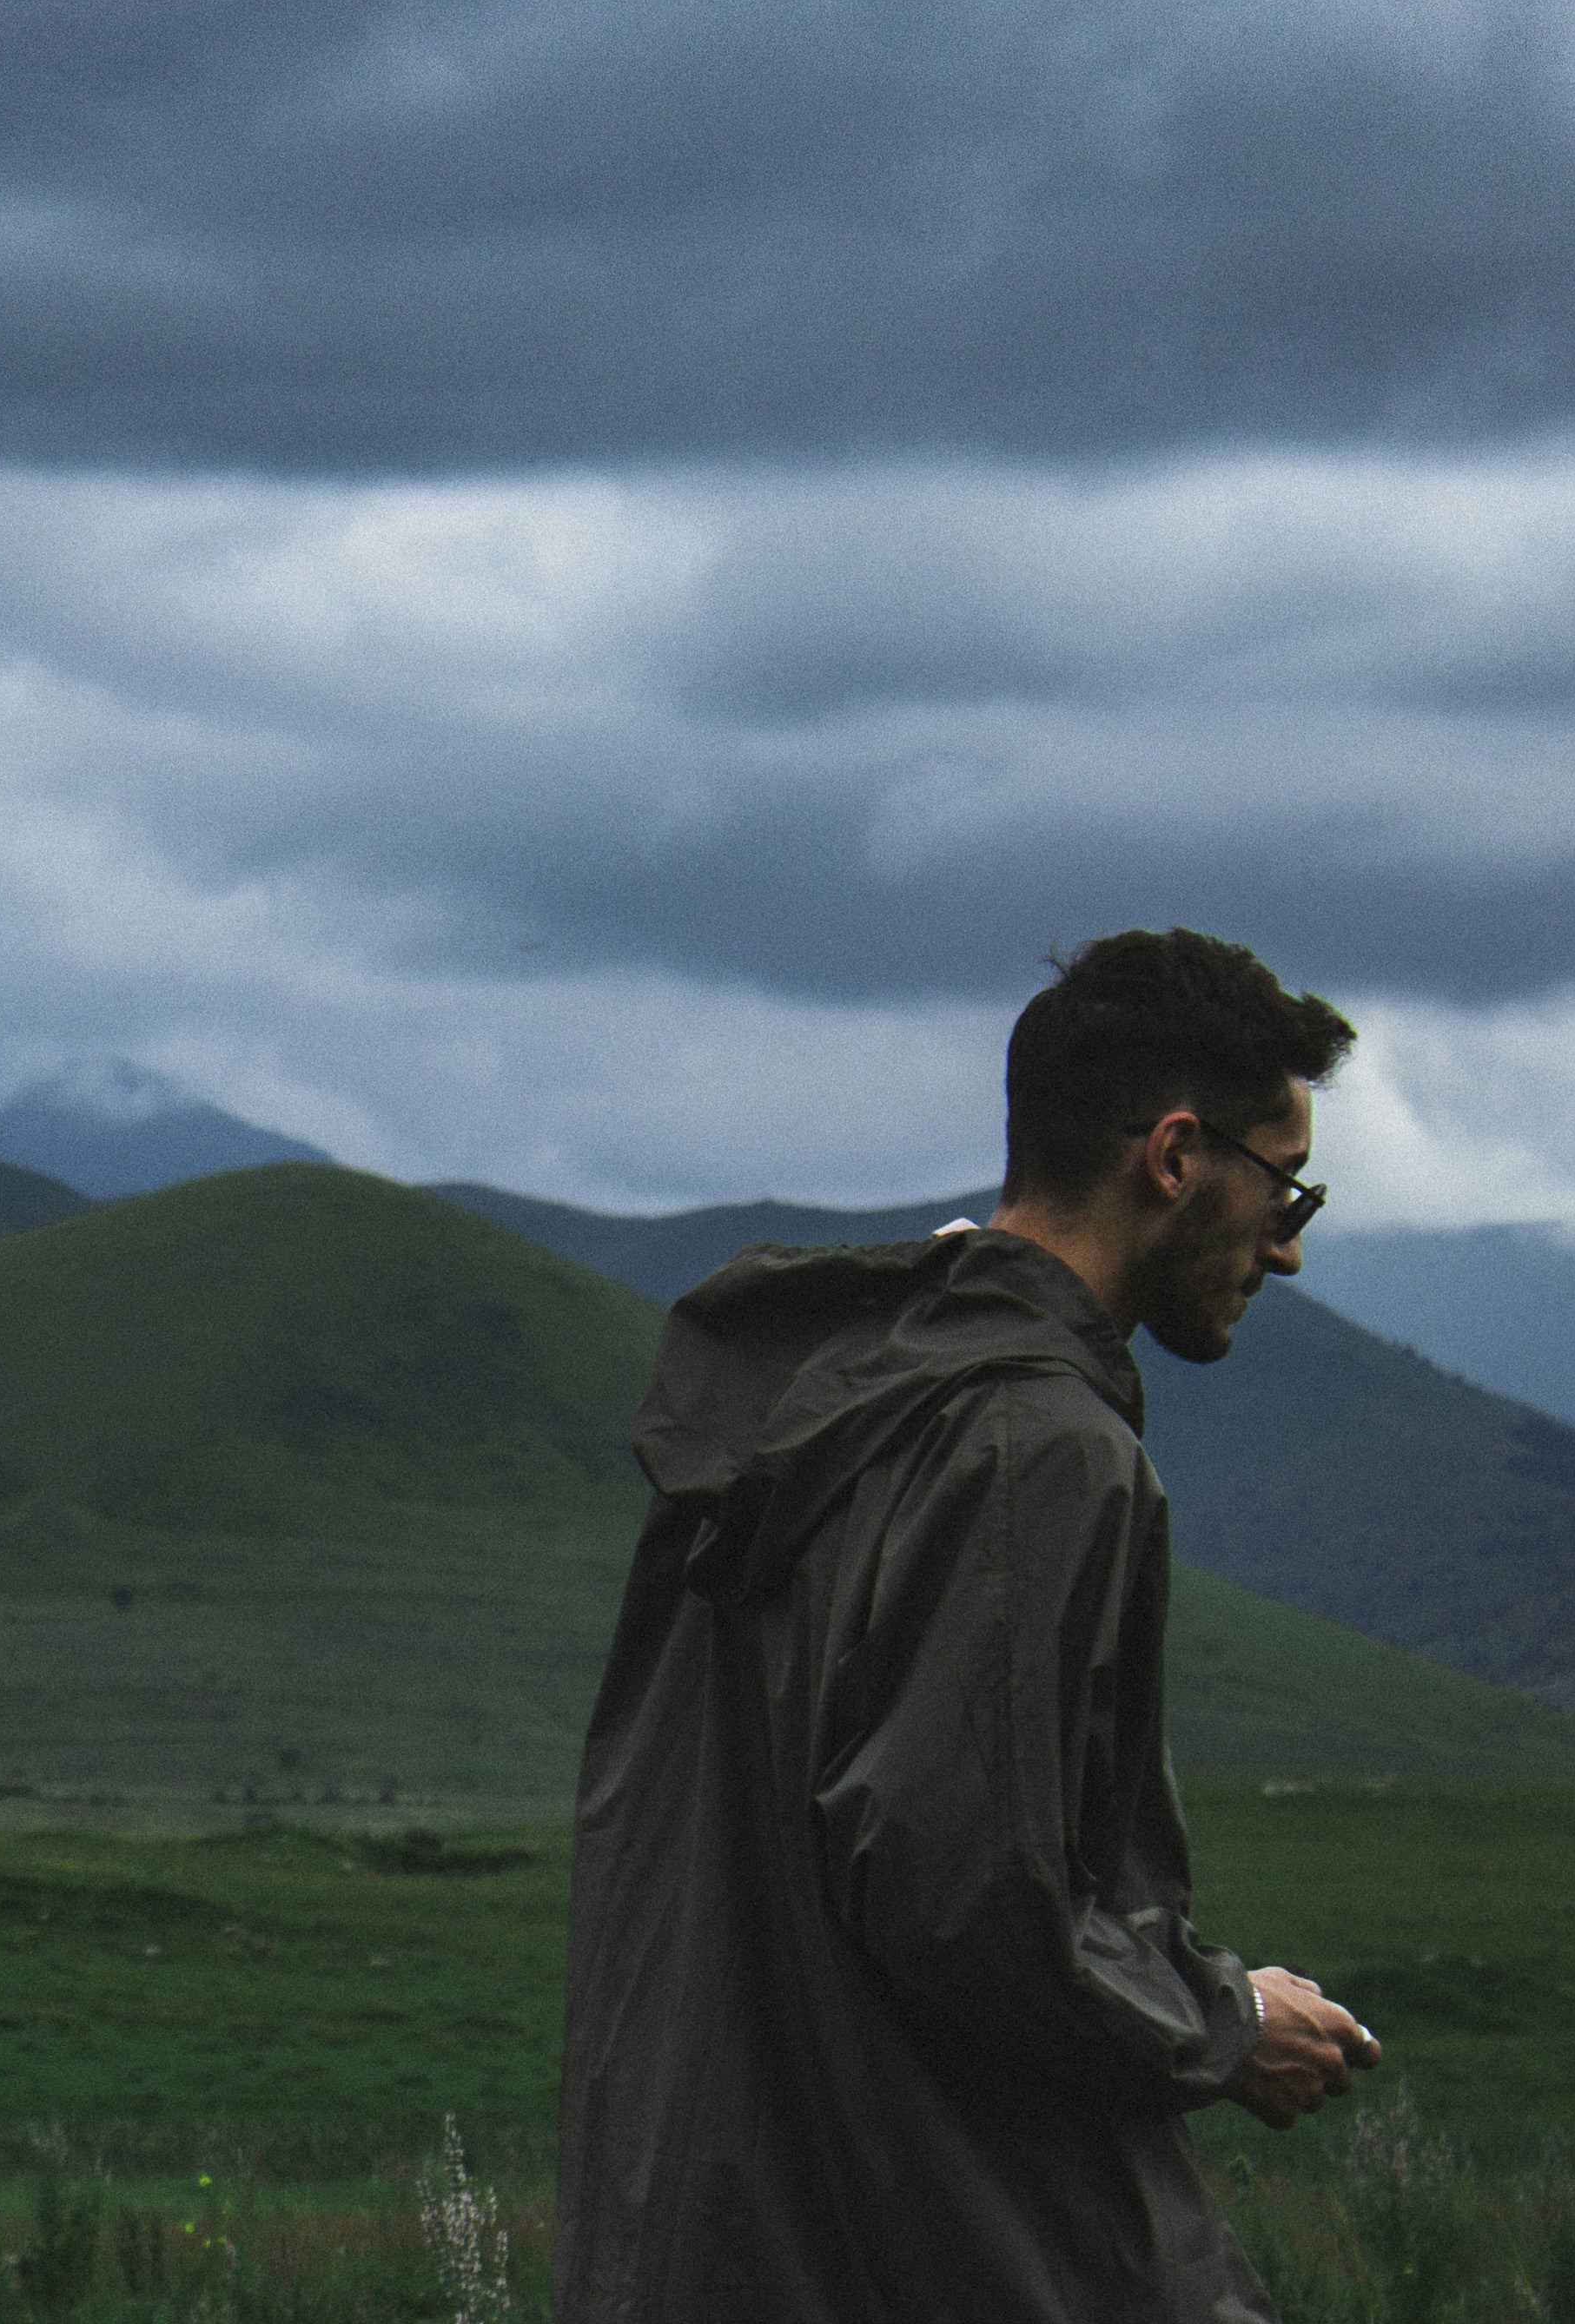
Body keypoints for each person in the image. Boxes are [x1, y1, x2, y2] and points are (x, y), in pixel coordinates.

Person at [556, 928, 1386, 2323]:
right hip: (955, 2239)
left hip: (731, 2232)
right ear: (1173, 1157)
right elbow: (967, 1902)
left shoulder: (808, 1403)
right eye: (1282, 1183)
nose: (1288, 1246)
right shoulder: (1035, 1445)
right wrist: (1225, 2023)